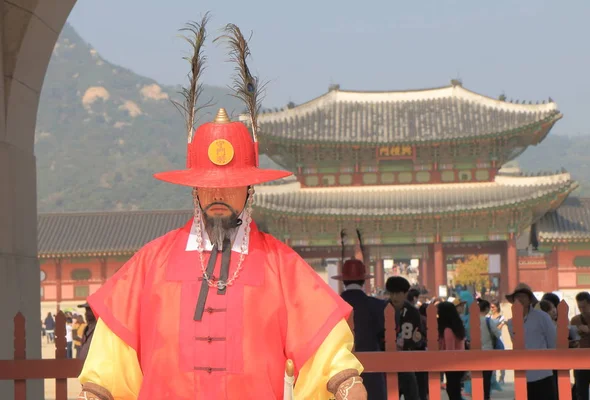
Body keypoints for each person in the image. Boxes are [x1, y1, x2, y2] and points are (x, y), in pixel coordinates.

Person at [77, 19, 366, 400]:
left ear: (250, 188)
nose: (220, 193)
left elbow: (324, 344)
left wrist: (345, 380)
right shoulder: (152, 263)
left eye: (231, 185)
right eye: (209, 184)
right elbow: (111, 356)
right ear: (193, 187)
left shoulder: (280, 265)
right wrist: (96, 391)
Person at [335, 259, 387, 399]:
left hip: (339, 370)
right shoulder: (378, 306)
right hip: (372, 370)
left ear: (343, 281)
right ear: (363, 281)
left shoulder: (331, 305)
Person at [506, 283, 557, 400]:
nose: (520, 299)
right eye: (517, 296)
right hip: (522, 374)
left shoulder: (542, 317)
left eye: (524, 296)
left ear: (530, 300)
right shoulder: (510, 323)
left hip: (543, 373)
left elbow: (552, 342)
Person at [386, 276, 423, 400]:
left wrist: (418, 340)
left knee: (412, 395)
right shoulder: (382, 309)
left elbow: (421, 338)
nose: (394, 297)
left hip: (406, 362)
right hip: (386, 363)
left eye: (398, 293)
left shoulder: (413, 312)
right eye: (392, 293)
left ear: (405, 293)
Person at [571, 291, 590, 400]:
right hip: (580, 362)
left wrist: (589, 332)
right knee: (581, 394)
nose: (582, 310)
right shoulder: (575, 320)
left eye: (584, 307)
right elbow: (570, 339)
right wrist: (572, 343)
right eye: (579, 307)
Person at [437, 301, 466, 400]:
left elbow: (450, 352)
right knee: (455, 391)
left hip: (452, 365)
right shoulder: (457, 327)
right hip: (460, 363)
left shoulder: (448, 330)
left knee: (453, 392)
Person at [477, 299, 502, 400]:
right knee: (486, 378)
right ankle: (486, 396)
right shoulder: (487, 320)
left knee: (477, 377)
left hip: (475, 353)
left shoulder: (473, 320)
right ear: (486, 309)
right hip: (487, 352)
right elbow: (498, 334)